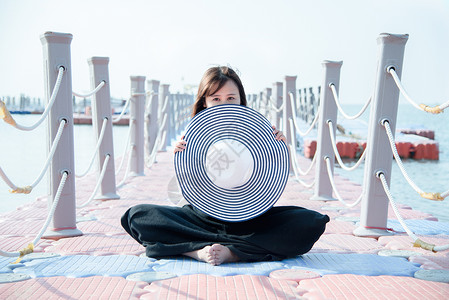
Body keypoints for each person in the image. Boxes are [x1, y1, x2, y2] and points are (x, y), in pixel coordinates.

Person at [121, 66, 330, 266]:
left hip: (249, 220)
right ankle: (197, 251)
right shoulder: (194, 138)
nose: (224, 104)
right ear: (205, 103)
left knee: (310, 222)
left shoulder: (258, 135)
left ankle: (231, 252)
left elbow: (269, 182)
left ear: (241, 100)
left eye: (231, 98)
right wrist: (180, 157)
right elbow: (189, 188)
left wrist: (278, 148)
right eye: (216, 99)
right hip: (201, 221)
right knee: (137, 216)